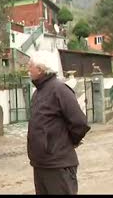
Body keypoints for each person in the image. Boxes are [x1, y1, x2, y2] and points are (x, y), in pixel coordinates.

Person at [27, 50, 91, 195]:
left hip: (58, 165)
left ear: (40, 68)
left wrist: (68, 142)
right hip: (41, 165)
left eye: (30, 65)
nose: (28, 69)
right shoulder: (38, 93)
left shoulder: (60, 90)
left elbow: (80, 123)